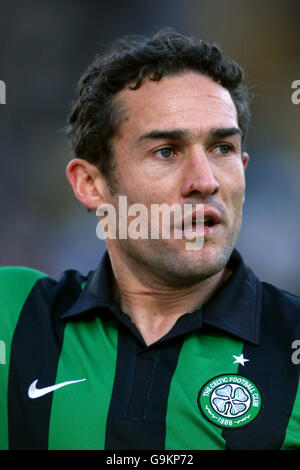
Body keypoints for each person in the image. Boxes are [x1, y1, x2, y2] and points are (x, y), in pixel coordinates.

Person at [1, 29, 300, 451]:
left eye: (222, 148)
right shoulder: (13, 317)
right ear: (91, 183)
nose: (206, 181)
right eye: (166, 151)